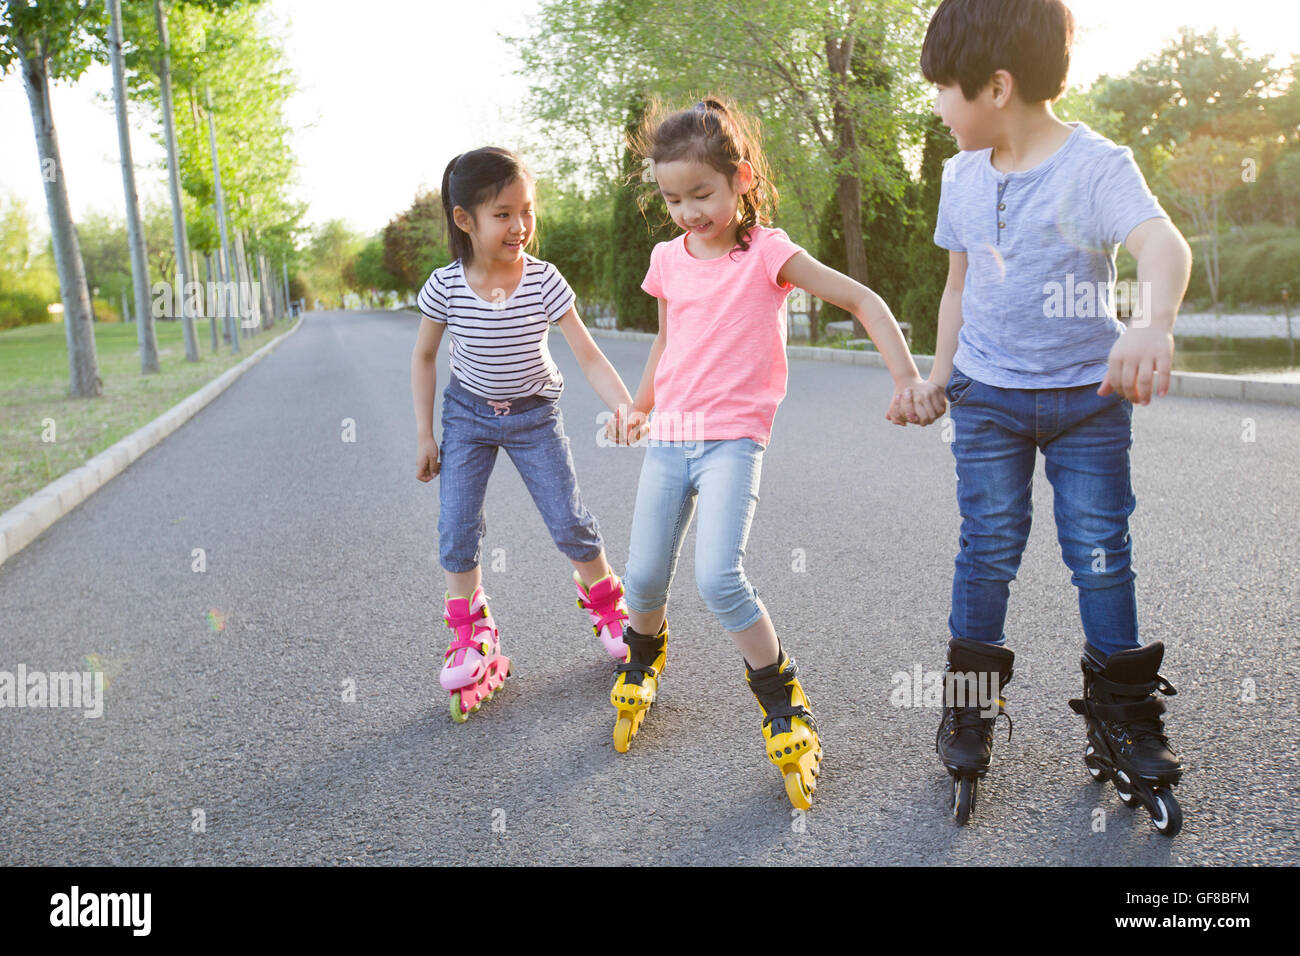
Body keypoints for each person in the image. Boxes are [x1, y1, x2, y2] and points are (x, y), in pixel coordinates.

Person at [907, 0, 1193, 833]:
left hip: (1086, 404)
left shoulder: (1096, 167)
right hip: (988, 399)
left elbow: (1162, 245)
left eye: (942, 90)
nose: (936, 105)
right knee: (987, 549)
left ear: (995, 86)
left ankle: (1127, 721)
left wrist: (1152, 323)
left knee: (1101, 555)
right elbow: (958, 288)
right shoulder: (962, 175)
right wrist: (936, 377)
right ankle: (969, 710)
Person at [608, 98, 943, 809]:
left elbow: (862, 300)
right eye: (672, 199)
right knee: (639, 581)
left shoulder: (769, 254)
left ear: (742, 179)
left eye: (702, 194)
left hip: (733, 441)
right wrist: (639, 408)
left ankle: (782, 696)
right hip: (670, 439)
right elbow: (668, 342)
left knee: (719, 579)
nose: (688, 212)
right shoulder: (666, 257)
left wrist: (907, 376)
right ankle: (645, 656)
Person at [411, 146, 642, 722]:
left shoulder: (544, 280)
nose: (521, 226)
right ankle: (471, 632)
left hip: (535, 412)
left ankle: (610, 609)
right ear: (465, 220)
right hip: (467, 415)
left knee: (567, 517)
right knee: (456, 523)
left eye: (527, 211)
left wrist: (625, 406)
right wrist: (424, 435)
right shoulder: (446, 286)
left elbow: (587, 354)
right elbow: (423, 358)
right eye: (504, 214)